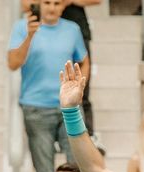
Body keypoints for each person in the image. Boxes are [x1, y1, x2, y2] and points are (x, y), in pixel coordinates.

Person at [8, 0, 89, 172]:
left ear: (63, 6)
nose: (51, 7)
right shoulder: (21, 27)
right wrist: (30, 36)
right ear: (37, 5)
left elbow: (84, 60)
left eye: (56, 2)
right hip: (35, 109)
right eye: (46, 2)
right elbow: (13, 63)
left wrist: (79, 88)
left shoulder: (72, 29)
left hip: (68, 108)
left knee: (77, 167)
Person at [20, 0, 102, 140]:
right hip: (44, 29)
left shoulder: (73, 29)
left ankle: (87, 136)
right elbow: (26, 4)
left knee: (80, 88)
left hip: (75, 26)